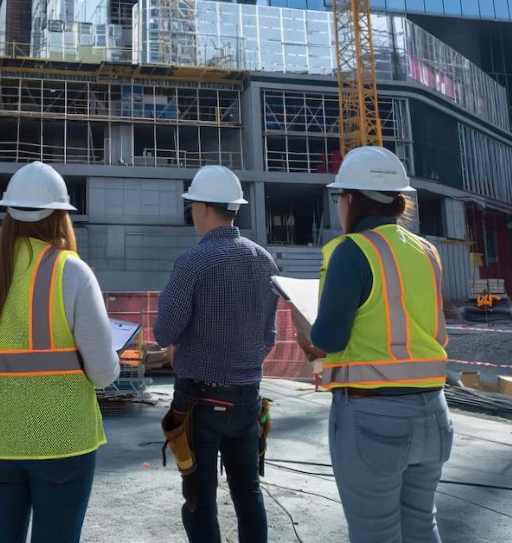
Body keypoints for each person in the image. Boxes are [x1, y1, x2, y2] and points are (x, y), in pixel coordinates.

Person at [296, 146, 451, 543]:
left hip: (372, 416)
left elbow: (329, 338)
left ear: (351, 200)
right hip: (434, 411)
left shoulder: (352, 251)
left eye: (340, 198)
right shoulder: (427, 251)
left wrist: (310, 338)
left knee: (375, 533)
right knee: (421, 524)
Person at [0, 161, 119, 543]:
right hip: (61, 441)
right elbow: (103, 372)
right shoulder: (72, 271)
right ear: (60, 216)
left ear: (9, 214)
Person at [155, 165, 279, 543]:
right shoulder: (264, 260)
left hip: (198, 401)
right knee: (249, 494)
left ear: (205, 206)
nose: (190, 212)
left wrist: (181, 346)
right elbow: (268, 336)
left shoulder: (192, 261)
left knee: (199, 499)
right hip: (246, 400)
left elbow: (164, 332)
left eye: (192, 205)